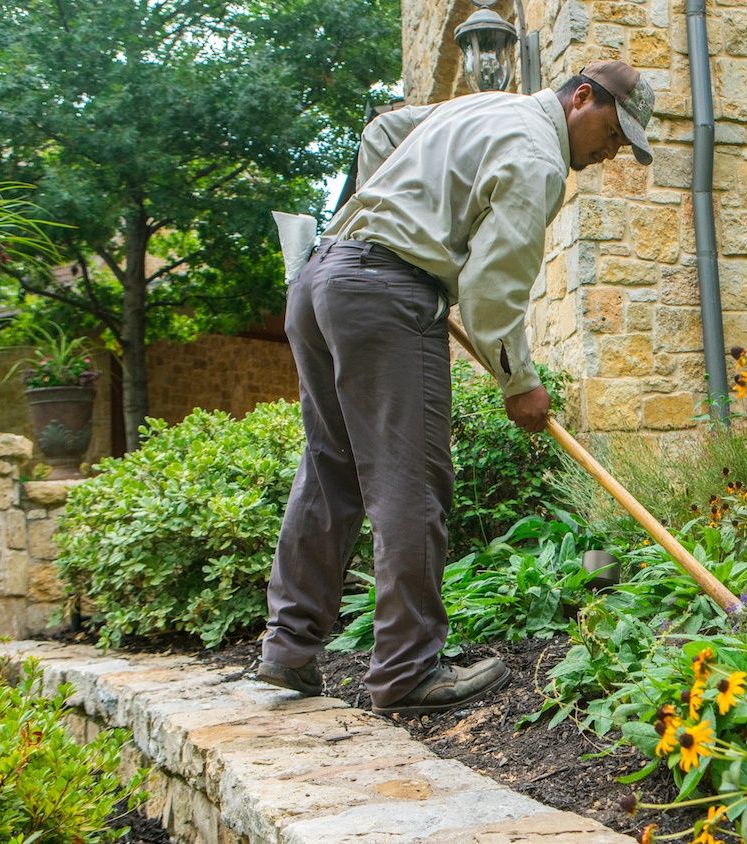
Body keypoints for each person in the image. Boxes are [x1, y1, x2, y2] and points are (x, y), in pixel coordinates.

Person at [257, 61, 655, 716]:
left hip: (322, 276)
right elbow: (492, 290)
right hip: (383, 292)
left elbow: (383, 134)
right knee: (409, 481)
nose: (611, 152)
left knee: (331, 470)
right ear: (582, 98)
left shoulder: (486, 108)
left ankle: (288, 652)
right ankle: (407, 671)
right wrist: (519, 382)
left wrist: (388, 219)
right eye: (613, 134)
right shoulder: (539, 157)